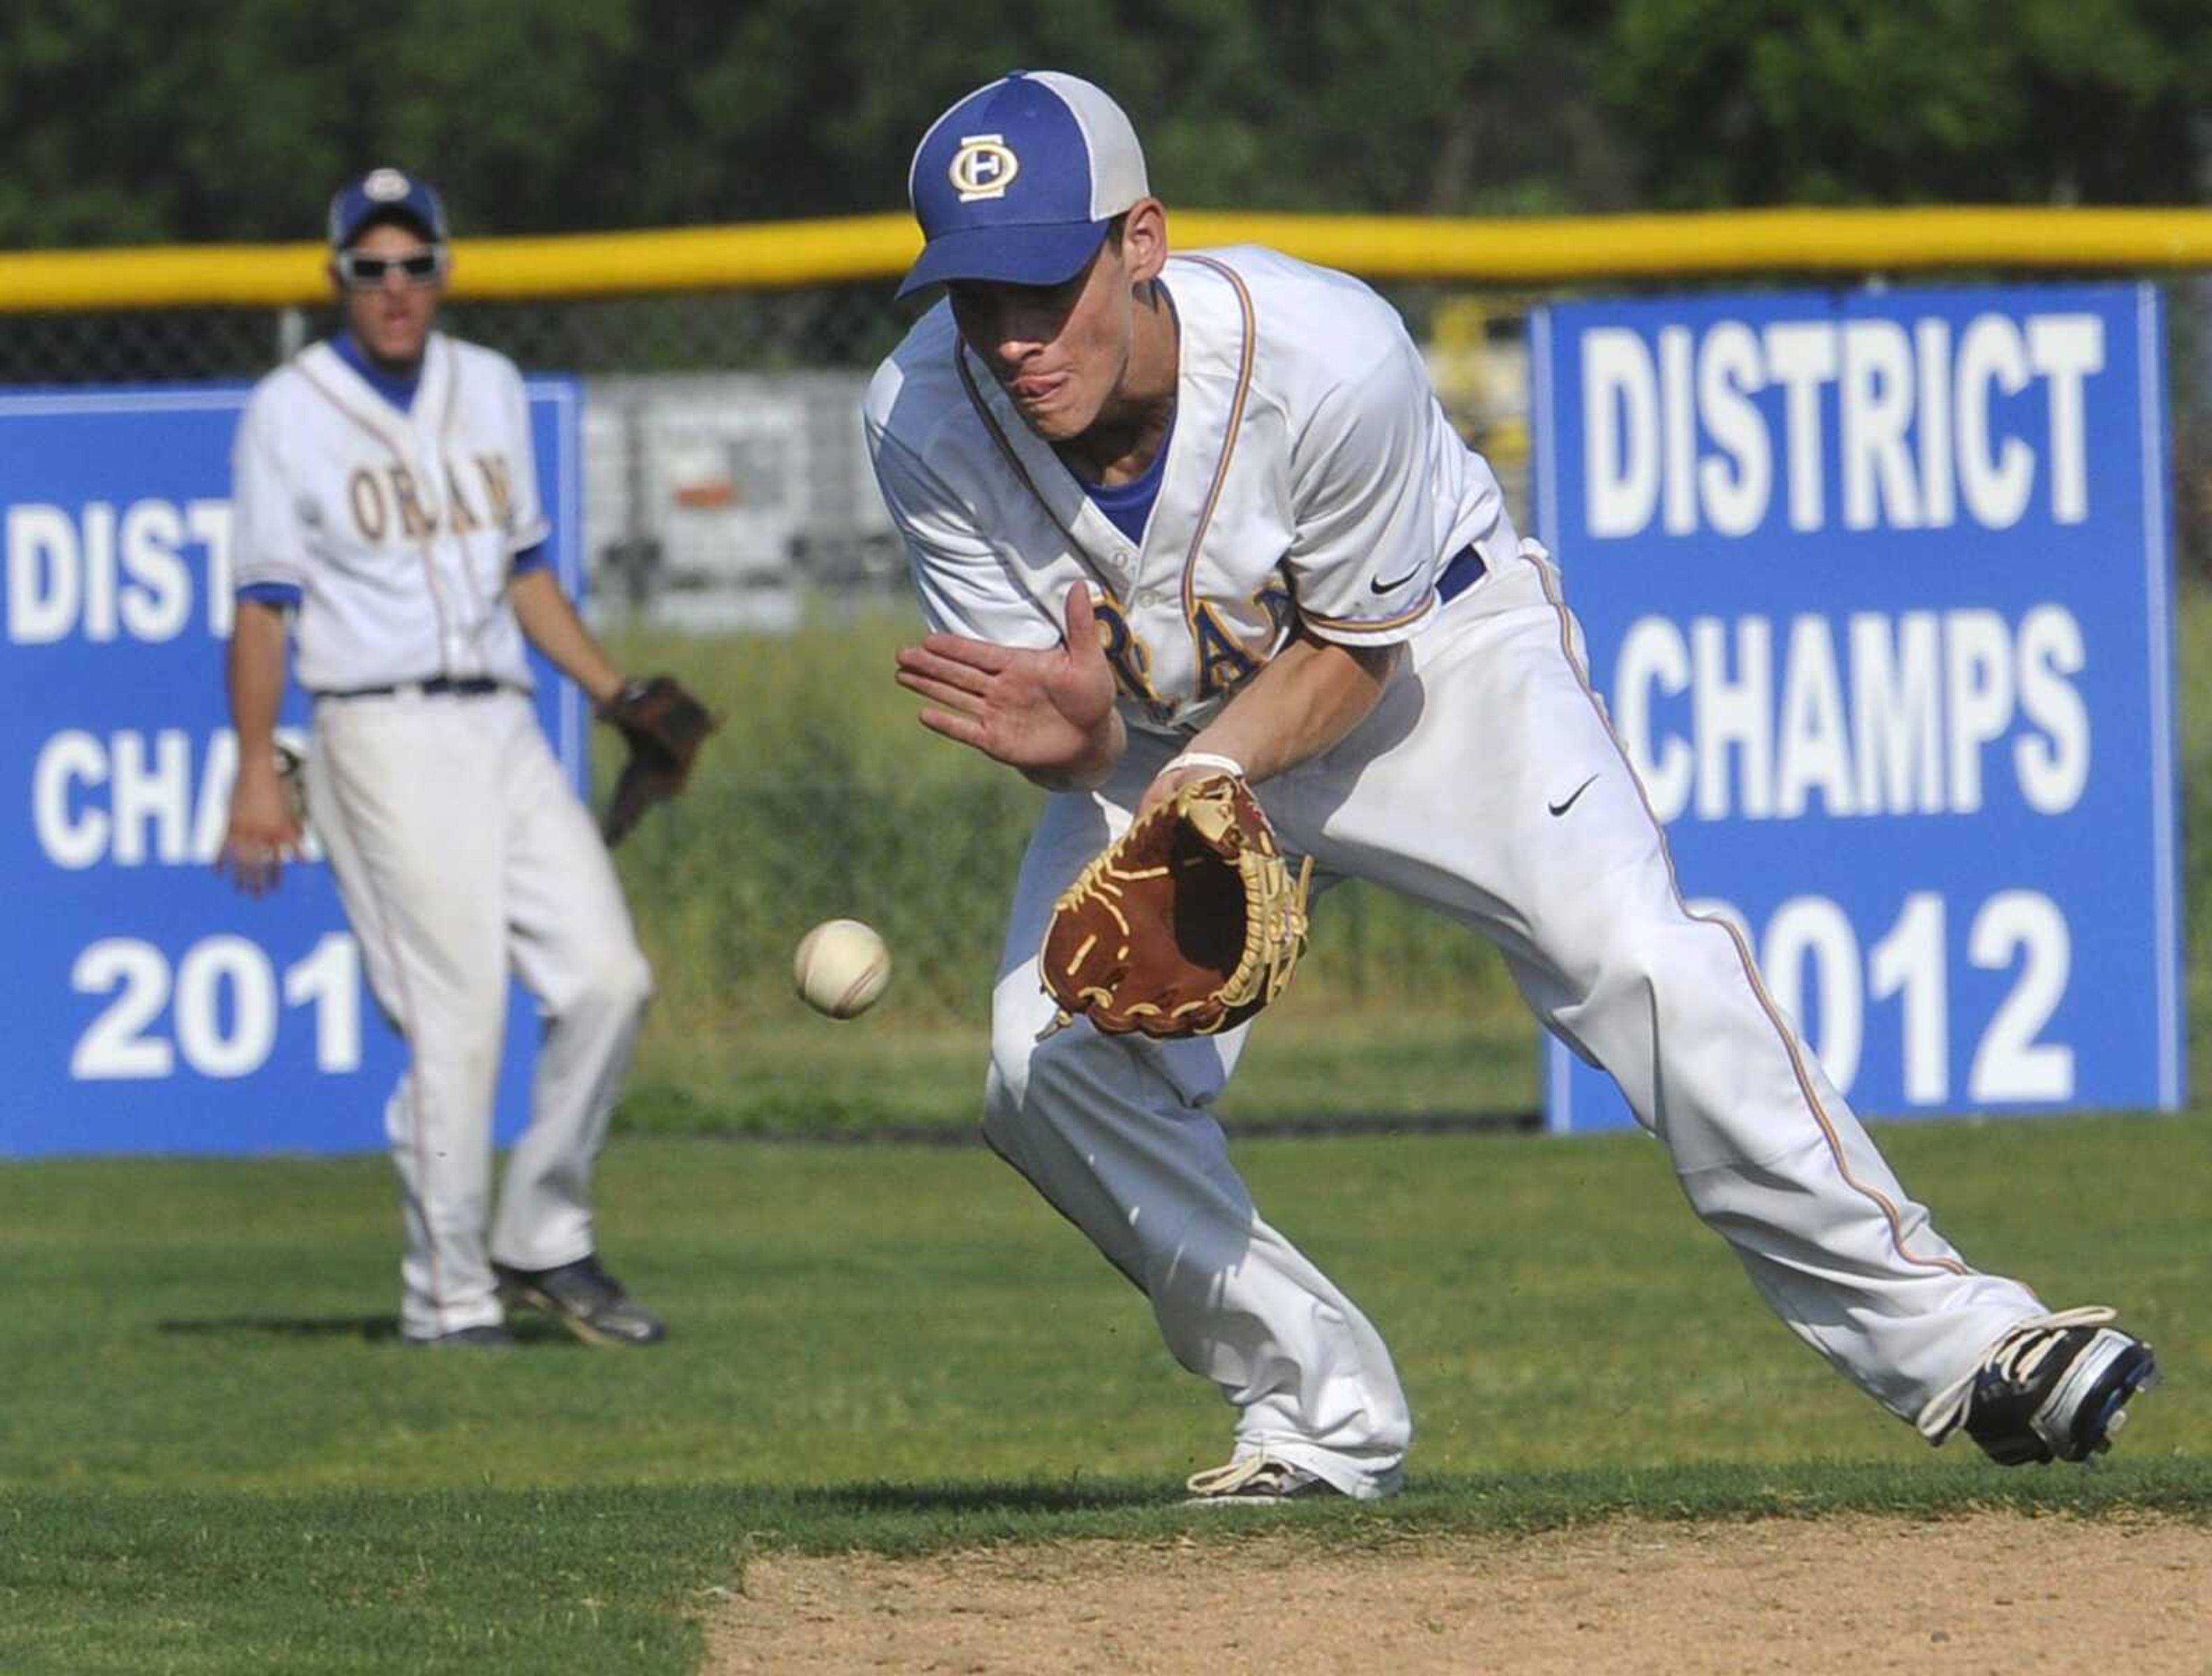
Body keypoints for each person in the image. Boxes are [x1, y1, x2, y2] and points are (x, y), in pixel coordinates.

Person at [866, 72, 2158, 1500]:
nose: (1016, 336)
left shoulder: (1328, 353)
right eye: (978, 296)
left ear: (1143, 242)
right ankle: (1315, 1415)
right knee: (1039, 1068)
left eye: (1048, 282)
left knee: (1646, 965)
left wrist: (1202, 779)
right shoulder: (923, 419)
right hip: (1175, 746)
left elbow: (1353, 656)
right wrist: (1090, 752)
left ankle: (1971, 1347)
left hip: (1432, 676)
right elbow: (1083, 712)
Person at [219, 168, 668, 1350]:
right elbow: (263, 607)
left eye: (415, 262)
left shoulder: (491, 386)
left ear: (444, 270)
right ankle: (448, 1294)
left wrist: (616, 694)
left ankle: (541, 1235)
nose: (396, 286)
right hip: (377, 728)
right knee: (458, 1015)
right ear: (339, 281)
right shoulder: (291, 408)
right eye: (371, 268)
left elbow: (526, 577)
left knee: (608, 979)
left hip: (506, 723)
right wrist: (258, 768)